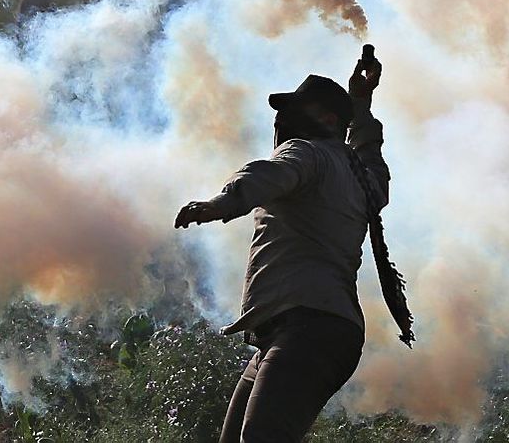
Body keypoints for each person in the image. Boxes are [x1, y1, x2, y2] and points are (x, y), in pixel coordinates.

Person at [175, 49, 413, 442]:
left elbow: (267, 175)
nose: (282, 120)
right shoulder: (361, 177)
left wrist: (219, 204)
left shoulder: (308, 152)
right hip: (316, 331)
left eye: (293, 110)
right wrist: (361, 105)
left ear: (328, 121)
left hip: (309, 329)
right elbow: (373, 158)